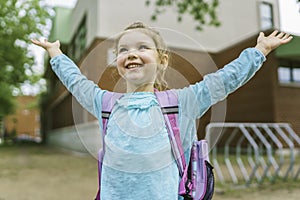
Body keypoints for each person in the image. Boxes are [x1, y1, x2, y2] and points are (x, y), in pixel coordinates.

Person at [31, 22, 292, 200]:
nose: (131, 54)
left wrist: (260, 51)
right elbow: (76, 83)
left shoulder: (182, 101)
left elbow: (224, 80)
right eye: (123, 50)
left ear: (162, 60)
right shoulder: (105, 103)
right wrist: (56, 53)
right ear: (118, 64)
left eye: (142, 47)